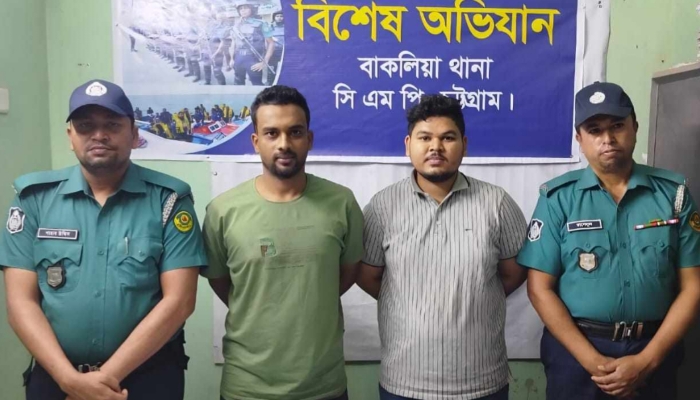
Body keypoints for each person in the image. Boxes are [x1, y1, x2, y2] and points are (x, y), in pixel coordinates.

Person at [0, 79, 207, 400]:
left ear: (134, 135)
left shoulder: (169, 199)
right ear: (70, 136)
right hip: (55, 377)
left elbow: (179, 301)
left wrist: (102, 381)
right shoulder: (34, 200)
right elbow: (20, 302)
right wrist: (69, 380)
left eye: (112, 124)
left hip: (147, 379)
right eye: (85, 126)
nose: (99, 135)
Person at [517, 81, 700, 399]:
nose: (607, 139)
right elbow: (539, 289)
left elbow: (693, 287)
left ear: (635, 128)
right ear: (579, 139)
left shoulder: (674, 195)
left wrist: (647, 361)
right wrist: (595, 364)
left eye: (617, 126)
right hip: (577, 356)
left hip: (656, 349)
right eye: (595, 130)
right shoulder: (558, 199)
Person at [357, 94, 527, 400]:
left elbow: (513, 274)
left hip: (482, 382)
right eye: (425, 137)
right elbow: (369, 276)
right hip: (404, 382)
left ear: (464, 144)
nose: (435, 147)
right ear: (408, 144)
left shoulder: (497, 203)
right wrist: (411, 301)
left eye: (447, 137)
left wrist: (471, 299)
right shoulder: (383, 206)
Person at [201, 85, 362, 400]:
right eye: (272, 133)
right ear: (256, 141)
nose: (284, 144)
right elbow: (223, 283)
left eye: (295, 132)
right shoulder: (222, 211)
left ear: (309, 139)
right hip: (247, 388)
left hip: (323, 386)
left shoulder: (342, 203)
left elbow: (345, 274)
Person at [228, 2, 274, 86]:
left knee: (257, 84)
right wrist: (231, 59)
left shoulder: (261, 23)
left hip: (253, 59)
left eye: (246, 8)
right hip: (238, 58)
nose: (243, 10)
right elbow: (233, 43)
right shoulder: (236, 26)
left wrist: (265, 61)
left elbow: (271, 43)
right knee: (238, 83)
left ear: (252, 9)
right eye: (241, 9)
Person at [267, 11, 285, 85]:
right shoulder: (270, 27)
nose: (279, 18)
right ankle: (270, 83)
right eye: (277, 16)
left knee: (283, 68)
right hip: (273, 50)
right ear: (274, 18)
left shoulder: (287, 27)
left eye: (281, 16)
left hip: (284, 51)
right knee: (271, 67)